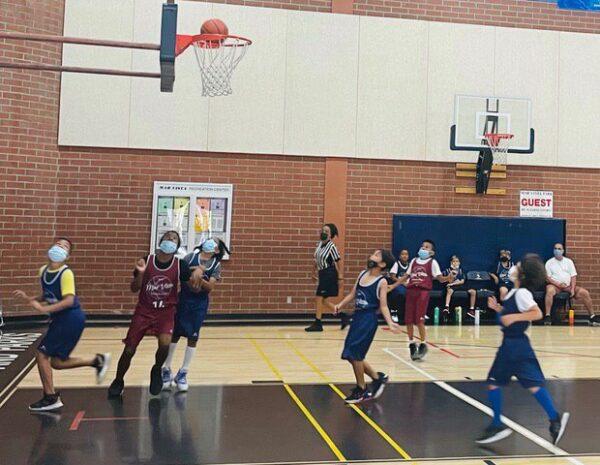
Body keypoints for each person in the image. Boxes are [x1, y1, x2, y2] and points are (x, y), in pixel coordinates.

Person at [476, 254, 569, 445]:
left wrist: (514, 318)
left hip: (516, 346)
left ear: (523, 274)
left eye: (517, 265)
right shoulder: (512, 293)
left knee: (499, 382)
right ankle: (553, 418)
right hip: (511, 346)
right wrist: (498, 309)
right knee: (524, 384)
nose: (514, 267)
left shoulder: (523, 293)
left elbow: (537, 313)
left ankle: (497, 424)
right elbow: (510, 315)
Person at [13, 237, 110, 411]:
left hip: (71, 318)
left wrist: (43, 309)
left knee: (41, 354)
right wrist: (30, 298)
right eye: (57, 244)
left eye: (64, 246)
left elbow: (68, 301)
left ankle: (50, 397)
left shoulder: (66, 274)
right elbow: (48, 294)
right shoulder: (43, 270)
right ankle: (97, 361)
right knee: (56, 362)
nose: (59, 247)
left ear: (67, 256)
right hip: (60, 319)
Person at [108, 231, 193, 398]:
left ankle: (156, 369)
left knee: (165, 343)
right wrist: (140, 273)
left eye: (174, 239)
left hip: (165, 312)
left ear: (177, 246)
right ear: (161, 241)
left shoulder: (180, 265)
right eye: (167, 237)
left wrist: (198, 274)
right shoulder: (146, 260)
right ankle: (118, 380)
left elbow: (194, 288)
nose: (170, 239)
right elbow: (134, 288)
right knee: (129, 349)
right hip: (144, 310)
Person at [333, 249, 401, 403]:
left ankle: (362, 389)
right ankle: (377, 378)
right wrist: (340, 304)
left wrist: (390, 322)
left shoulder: (382, 282)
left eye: (376, 255)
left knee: (355, 354)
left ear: (382, 264)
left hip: (368, 320)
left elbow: (383, 305)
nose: (372, 256)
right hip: (357, 317)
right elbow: (352, 294)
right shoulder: (363, 274)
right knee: (349, 354)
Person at [162, 238, 229, 391]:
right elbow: (182, 278)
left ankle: (183, 372)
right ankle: (166, 369)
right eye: (210, 239)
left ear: (217, 250)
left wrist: (198, 279)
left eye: (215, 242)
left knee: (193, 337)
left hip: (199, 304)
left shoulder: (215, 265)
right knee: (175, 335)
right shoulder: (190, 257)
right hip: (183, 300)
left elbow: (210, 286)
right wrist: (192, 278)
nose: (210, 242)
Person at [396, 240, 453, 361]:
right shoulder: (413, 261)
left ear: (431, 252)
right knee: (408, 320)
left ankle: (423, 343)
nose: (423, 248)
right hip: (411, 291)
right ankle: (412, 343)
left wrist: (448, 278)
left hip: (423, 292)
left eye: (426, 247)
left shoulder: (432, 262)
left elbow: (440, 278)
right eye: (422, 246)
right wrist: (394, 285)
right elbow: (406, 276)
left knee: (419, 320)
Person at [544, 243, 598, 326]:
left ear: (563, 251)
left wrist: (572, 288)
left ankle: (592, 316)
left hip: (568, 286)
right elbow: (548, 278)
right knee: (549, 290)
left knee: (584, 292)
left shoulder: (568, 261)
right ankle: (548, 316)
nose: (557, 250)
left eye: (559, 249)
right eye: (555, 248)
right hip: (555, 286)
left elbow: (573, 276)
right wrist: (558, 284)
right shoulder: (549, 262)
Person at [306, 224, 345, 332]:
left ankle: (318, 323)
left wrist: (340, 277)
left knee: (319, 297)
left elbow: (339, 261)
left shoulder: (331, 246)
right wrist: (313, 272)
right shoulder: (319, 245)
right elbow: (316, 260)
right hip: (322, 273)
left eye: (326, 231)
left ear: (331, 234)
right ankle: (342, 315)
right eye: (323, 230)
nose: (323, 232)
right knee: (322, 300)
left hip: (330, 274)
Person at [387, 249, 410, 323]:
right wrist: (403, 283)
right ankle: (394, 312)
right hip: (397, 284)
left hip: (408, 285)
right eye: (403, 254)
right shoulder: (396, 264)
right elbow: (392, 277)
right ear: (399, 256)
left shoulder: (410, 265)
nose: (404, 256)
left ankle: (414, 314)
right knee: (400, 293)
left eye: (406, 254)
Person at [442, 255, 465, 324]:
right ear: (451, 262)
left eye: (457, 261)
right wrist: (451, 275)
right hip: (451, 286)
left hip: (459, 286)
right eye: (453, 261)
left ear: (459, 263)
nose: (455, 263)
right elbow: (448, 281)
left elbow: (462, 281)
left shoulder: (461, 271)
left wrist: (453, 284)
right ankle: (446, 307)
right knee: (449, 290)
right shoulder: (447, 270)